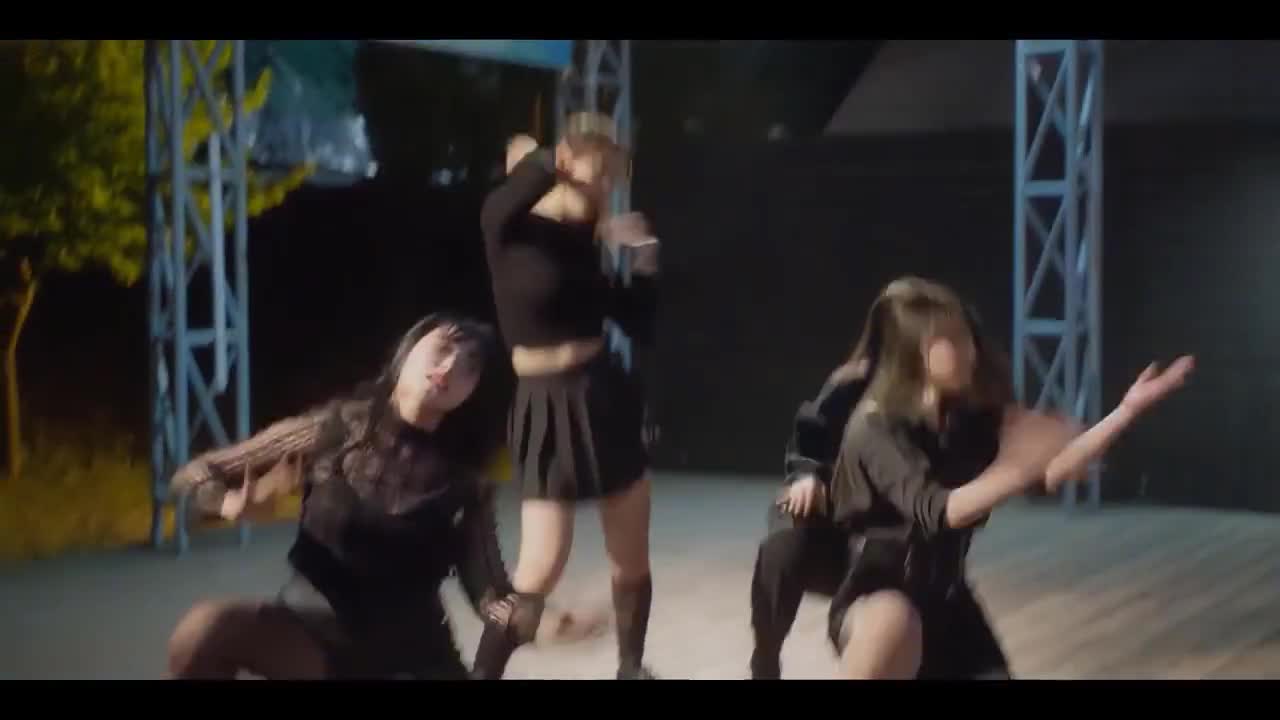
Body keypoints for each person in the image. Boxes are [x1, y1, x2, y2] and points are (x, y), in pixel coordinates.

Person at [164, 313, 601, 680]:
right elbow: (195, 474)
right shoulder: (333, 431)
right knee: (205, 630)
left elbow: (490, 597)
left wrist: (541, 622)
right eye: (443, 347)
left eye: (470, 365)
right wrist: (226, 504)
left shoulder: (464, 486)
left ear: (472, 391)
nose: (450, 365)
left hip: (408, 662)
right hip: (311, 639)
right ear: (406, 351)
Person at [824, 276, 1194, 680]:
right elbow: (939, 510)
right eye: (954, 340)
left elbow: (1054, 467)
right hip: (876, 599)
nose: (971, 350)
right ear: (915, 351)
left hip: (948, 603)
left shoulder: (965, 420)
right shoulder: (874, 427)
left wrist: (1126, 411)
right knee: (893, 623)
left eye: (969, 337)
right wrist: (1016, 466)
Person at [473, 112, 660, 680]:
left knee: (630, 557)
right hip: (544, 404)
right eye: (598, 171)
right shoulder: (508, 229)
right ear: (563, 164)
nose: (605, 186)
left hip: (603, 394)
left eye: (612, 177)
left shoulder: (583, 241)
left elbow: (639, 321)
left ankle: (631, 668)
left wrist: (644, 255)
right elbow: (513, 191)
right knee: (538, 570)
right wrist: (558, 155)